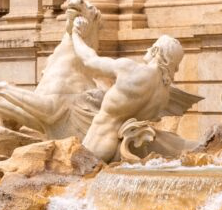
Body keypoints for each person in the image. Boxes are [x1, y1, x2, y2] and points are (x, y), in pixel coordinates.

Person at [70, 20, 186, 162]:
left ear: (156, 51)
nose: (148, 50)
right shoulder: (163, 96)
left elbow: (89, 60)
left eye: (151, 47)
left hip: (98, 143)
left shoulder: (131, 69)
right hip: (123, 150)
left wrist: (75, 34)